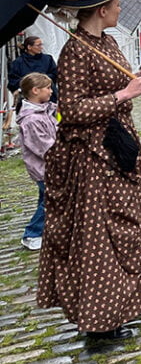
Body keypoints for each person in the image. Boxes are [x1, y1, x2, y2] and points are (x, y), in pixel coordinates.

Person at [37, 0, 141, 341]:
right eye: (114, 5)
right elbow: (72, 110)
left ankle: (122, 306)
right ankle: (100, 324)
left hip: (119, 148)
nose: (117, 10)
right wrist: (123, 96)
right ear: (100, 10)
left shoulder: (109, 43)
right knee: (101, 240)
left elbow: (121, 78)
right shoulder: (75, 50)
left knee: (127, 230)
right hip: (92, 157)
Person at [17, 72, 57, 251]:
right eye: (47, 88)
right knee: (50, 202)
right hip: (43, 168)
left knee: (45, 199)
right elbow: (43, 147)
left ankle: (43, 230)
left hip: (49, 167)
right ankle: (32, 234)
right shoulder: (32, 120)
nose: (51, 91)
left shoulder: (46, 109)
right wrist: (63, 151)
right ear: (35, 90)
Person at [8, 35, 58, 102]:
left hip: (48, 97)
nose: (41, 47)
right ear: (29, 47)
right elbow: (13, 81)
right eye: (38, 45)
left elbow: (55, 74)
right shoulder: (18, 62)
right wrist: (31, 82)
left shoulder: (48, 59)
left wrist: (42, 80)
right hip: (27, 98)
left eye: (41, 45)